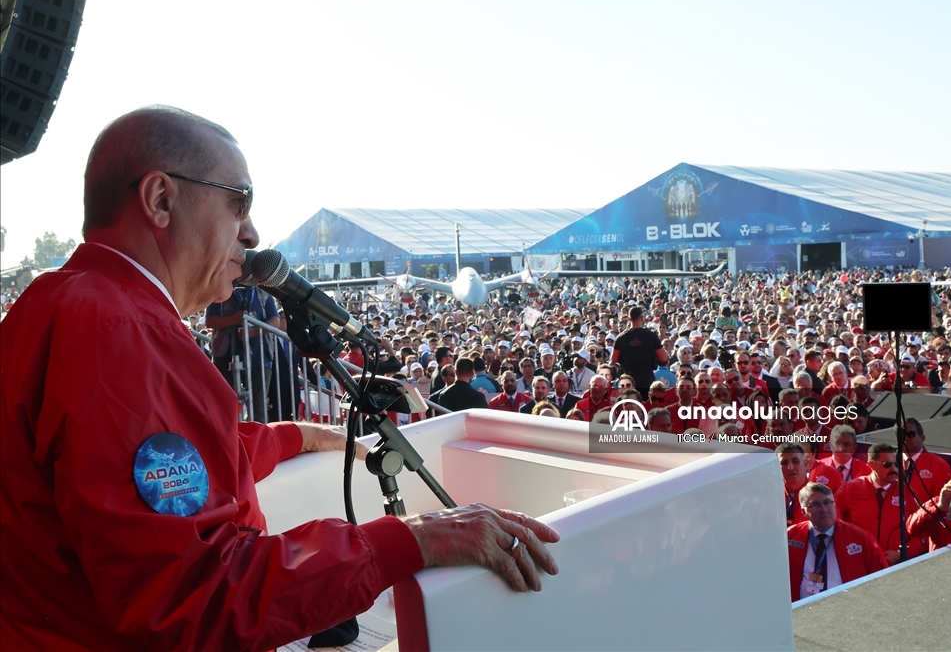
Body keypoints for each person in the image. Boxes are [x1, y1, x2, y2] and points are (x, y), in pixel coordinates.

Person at [0, 107, 558, 650]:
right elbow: (195, 600)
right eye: (239, 202)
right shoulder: (121, 333)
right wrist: (410, 539)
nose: (252, 232)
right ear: (161, 199)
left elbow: (160, 464)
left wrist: (297, 436)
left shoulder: (57, 306)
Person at [787, 483, 887, 601]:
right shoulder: (790, 537)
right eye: (816, 504)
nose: (823, 509)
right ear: (803, 512)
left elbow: (882, 579)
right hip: (802, 612)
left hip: (849, 611)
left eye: (828, 502)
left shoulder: (860, 537)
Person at [835, 443, 927, 564]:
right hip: (858, 562)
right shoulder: (849, 489)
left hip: (895, 565)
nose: (893, 469)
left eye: (896, 464)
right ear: (871, 465)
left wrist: (902, 553)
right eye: (887, 464)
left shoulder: (908, 493)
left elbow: (923, 533)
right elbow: (834, 525)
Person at [206, 283, 281, 422]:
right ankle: (229, 440)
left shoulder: (263, 292)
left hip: (259, 358)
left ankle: (257, 441)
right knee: (225, 405)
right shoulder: (220, 290)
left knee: (258, 408)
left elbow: (275, 321)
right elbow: (209, 321)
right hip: (225, 356)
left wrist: (253, 331)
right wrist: (233, 319)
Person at [611, 306, 669, 400]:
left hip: (628, 379)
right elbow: (663, 358)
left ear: (629, 318)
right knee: (646, 406)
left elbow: (614, 360)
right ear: (642, 318)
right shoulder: (651, 336)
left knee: (628, 406)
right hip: (646, 378)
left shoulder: (621, 337)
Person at [900, 417, 951, 503]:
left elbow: (941, 503)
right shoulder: (889, 463)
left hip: (925, 515)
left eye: (911, 434)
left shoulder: (939, 466)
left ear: (922, 438)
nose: (905, 438)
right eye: (902, 435)